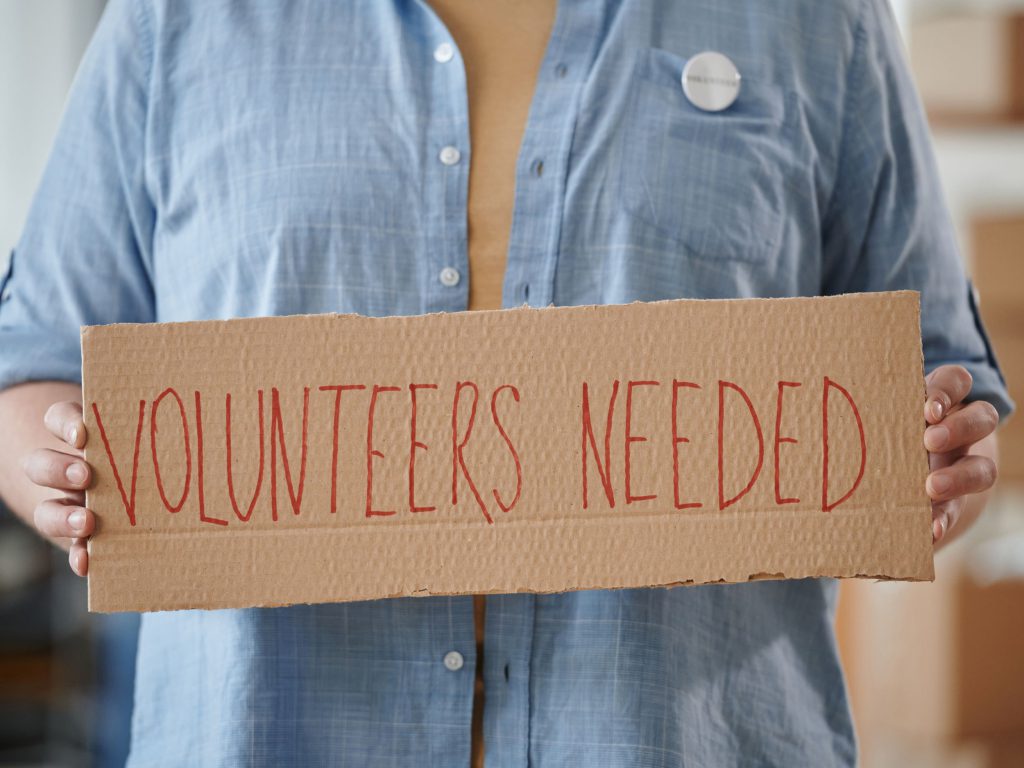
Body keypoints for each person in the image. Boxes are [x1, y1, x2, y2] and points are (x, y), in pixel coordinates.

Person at [0, 0, 1013, 765]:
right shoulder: (176, 20)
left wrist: (931, 462)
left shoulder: (809, 18)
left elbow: (929, 380)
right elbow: (31, 359)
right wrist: (49, 461)